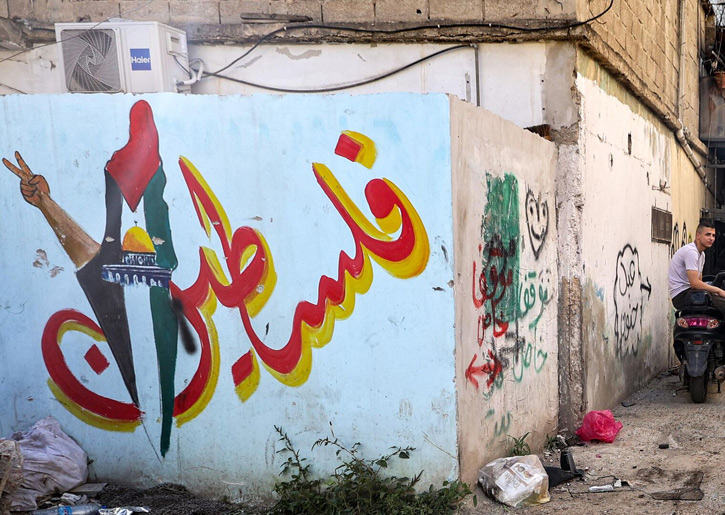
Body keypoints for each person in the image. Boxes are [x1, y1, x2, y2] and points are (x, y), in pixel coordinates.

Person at [668, 218, 725, 312]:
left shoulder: (701, 255)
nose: (711, 238)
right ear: (698, 235)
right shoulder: (691, 252)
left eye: (713, 235)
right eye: (707, 234)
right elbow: (695, 283)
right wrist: (718, 291)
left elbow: (699, 282)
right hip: (681, 296)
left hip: (691, 292)